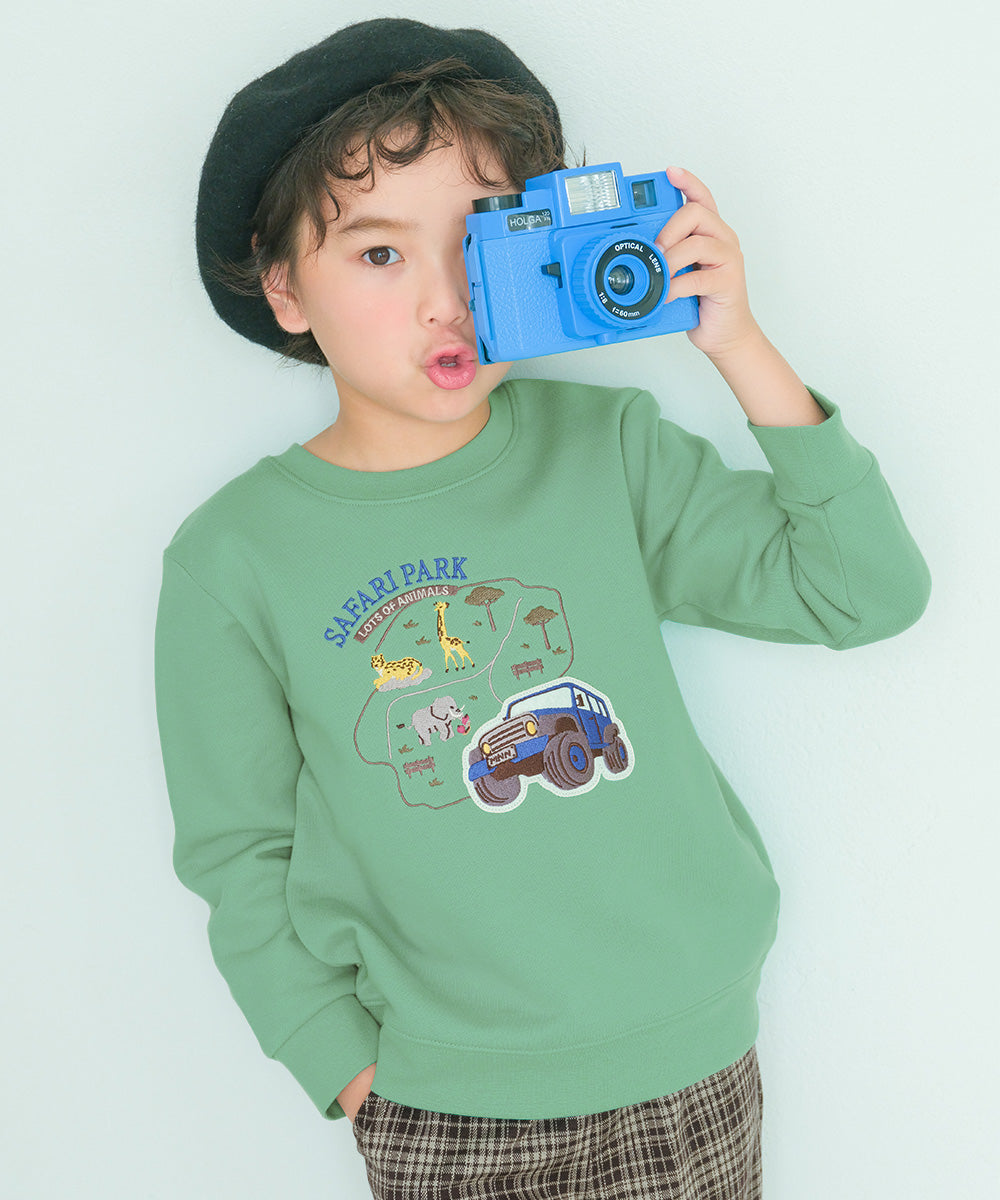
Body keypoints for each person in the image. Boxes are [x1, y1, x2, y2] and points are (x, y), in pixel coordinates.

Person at [154, 17, 930, 1199]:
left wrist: (737, 343)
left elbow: (862, 590)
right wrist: (343, 1067)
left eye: (482, 239)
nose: (446, 300)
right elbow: (238, 850)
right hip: (452, 1107)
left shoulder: (605, 449)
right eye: (379, 253)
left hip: (694, 1055)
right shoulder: (233, 558)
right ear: (285, 289)